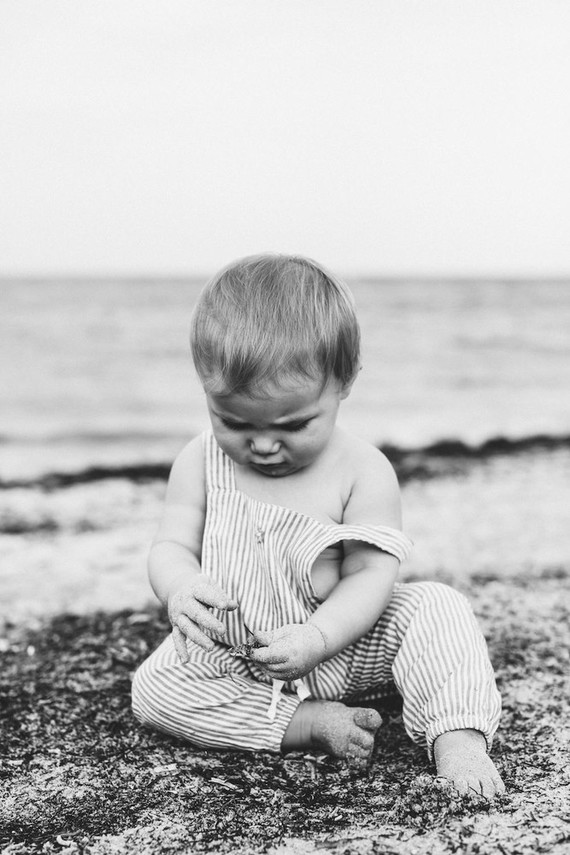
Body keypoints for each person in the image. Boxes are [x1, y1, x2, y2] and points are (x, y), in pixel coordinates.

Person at [132, 253, 504, 798]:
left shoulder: (362, 471)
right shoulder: (200, 461)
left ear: (344, 382)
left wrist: (318, 636)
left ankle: (459, 737)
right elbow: (171, 544)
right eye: (233, 421)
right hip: (239, 656)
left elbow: (370, 576)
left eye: (294, 424)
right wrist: (179, 587)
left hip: (347, 648)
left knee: (437, 606)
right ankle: (305, 722)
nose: (263, 444)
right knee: (153, 689)